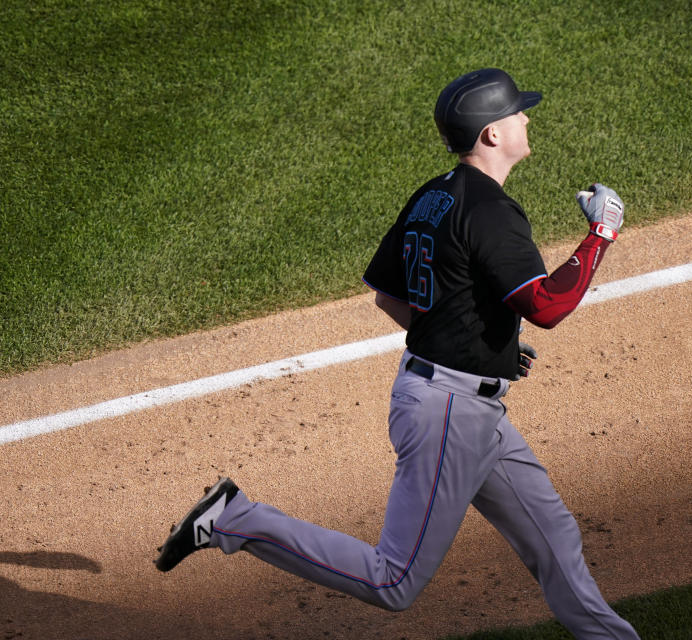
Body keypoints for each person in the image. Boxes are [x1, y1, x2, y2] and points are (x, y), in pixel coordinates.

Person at [155, 68, 638, 639]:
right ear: (490, 134)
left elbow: (392, 293)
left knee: (552, 534)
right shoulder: (490, 209)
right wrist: (600, 235)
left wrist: (488, 341)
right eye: (516, 112)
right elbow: (549, 305)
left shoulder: (434, 196)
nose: (526, 118)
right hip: (449, 413)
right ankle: (234, 519)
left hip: (462, 402)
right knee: (394, 580)